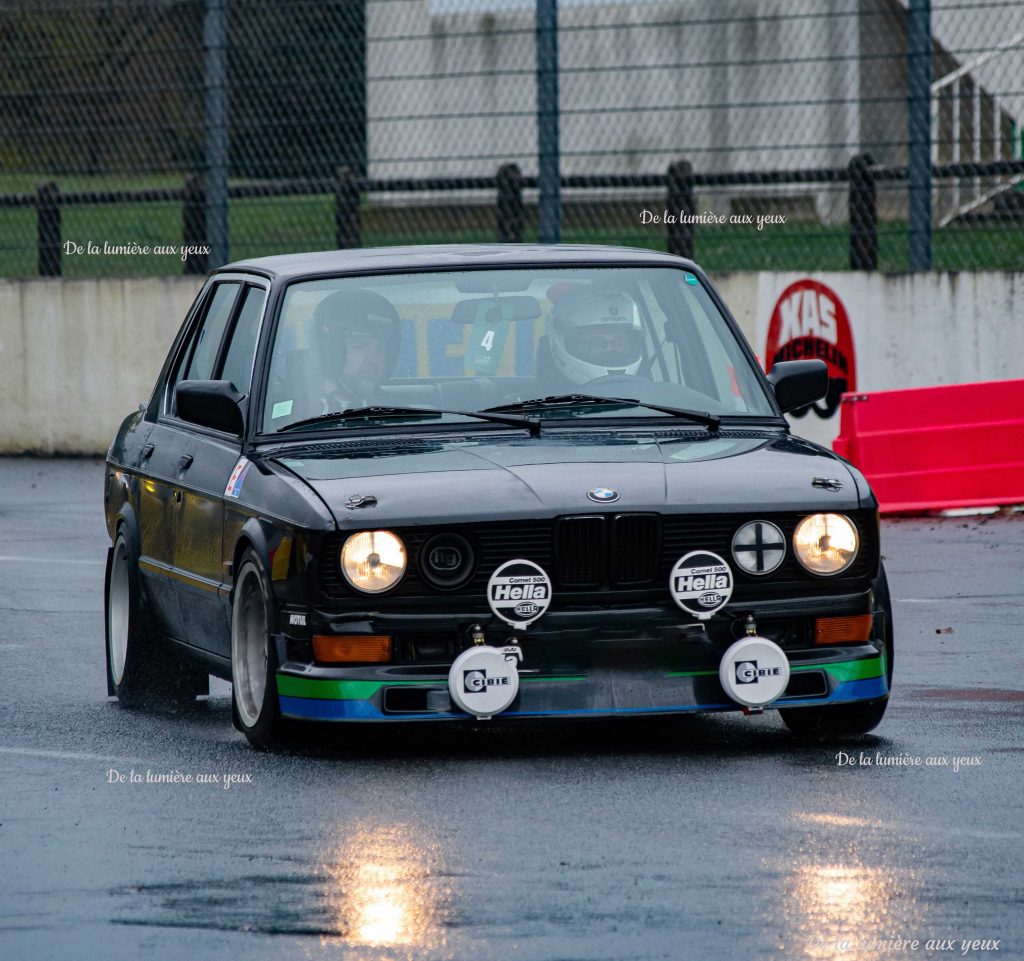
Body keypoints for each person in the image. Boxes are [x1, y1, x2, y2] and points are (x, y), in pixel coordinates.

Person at [309, 289, 401, 412]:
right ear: (333, 352)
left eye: (380, 348)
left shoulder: (397, 412)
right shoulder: (299, 416)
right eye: (360, 346)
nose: (373, 359)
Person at [546, 284, 645, 386]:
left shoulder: (650, 393)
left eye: (619, 343)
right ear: (570, 344)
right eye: (596, 344)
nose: (610, 352)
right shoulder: (542, 398)